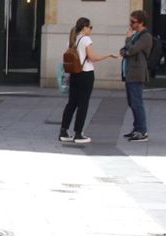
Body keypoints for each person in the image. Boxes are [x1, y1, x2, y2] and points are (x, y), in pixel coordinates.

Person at [59, 17, 114, 145]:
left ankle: (63, 132)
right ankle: (78, 134)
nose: (91, 29)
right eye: (90, 27)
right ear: (84, 27)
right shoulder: (86, 39)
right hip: (86, 74)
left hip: (74, 74)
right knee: (83, 104)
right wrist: (108, 55)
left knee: (71, 103)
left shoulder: (72, 40)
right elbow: (92, 57)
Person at [118, 10, 154, 142]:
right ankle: (136, 128)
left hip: (137, 73)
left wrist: (128, 40)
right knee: (132, 102)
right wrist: (126, 49)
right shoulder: (136, 35)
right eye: (130, 21)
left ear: (141, 22)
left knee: (137, 102)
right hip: (129, 73)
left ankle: (142, 131)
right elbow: (124, 50)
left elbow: (131, 50)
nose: (130, 24)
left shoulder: (145, 36)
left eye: (133, 22)